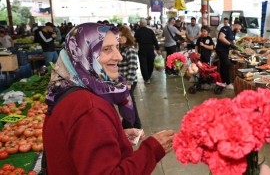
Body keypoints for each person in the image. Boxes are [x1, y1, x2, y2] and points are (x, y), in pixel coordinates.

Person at [43, 23, 174, 174]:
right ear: (82, 53)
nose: (119, 56)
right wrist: (152, 149)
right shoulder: (89, 108)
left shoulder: (66, 90)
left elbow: (75, 144)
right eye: (106, 49)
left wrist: (114, 136)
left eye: (117, 47)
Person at [118, 26, 142, 129]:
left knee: (129, 104)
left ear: (127, 36)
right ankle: (135, 124)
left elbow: (133, 67)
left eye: (122, 35)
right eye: (118, 36)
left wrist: (128, 83)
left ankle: (131, 125)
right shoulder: (120, 48)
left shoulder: (130, 49)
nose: (120, 38)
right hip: (122, 81)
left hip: (128, 81)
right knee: (129, 103)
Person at [215, 21, 241, 90]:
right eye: (239, 28)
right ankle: (228, 83)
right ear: (236, 25)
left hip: (226, 51)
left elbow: (232, 44)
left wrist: (237, 52)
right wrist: (230, 44)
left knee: (224, 66)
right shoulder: (226, 28)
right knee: (227, 64)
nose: (239, 30)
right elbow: (221, 37)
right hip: (220, 50)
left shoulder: (233, 33)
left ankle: (223, 82)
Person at [134, 19, 161, 84]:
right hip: (150, 50)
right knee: (150, 63)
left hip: (142, 50)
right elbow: (155, 40)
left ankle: (146, 78)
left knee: (143, 64)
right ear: (146, 24)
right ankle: (148, 75)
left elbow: (134, 41)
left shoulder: (137, 31)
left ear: (140, 24)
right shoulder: (150, 31)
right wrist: (158, 49)